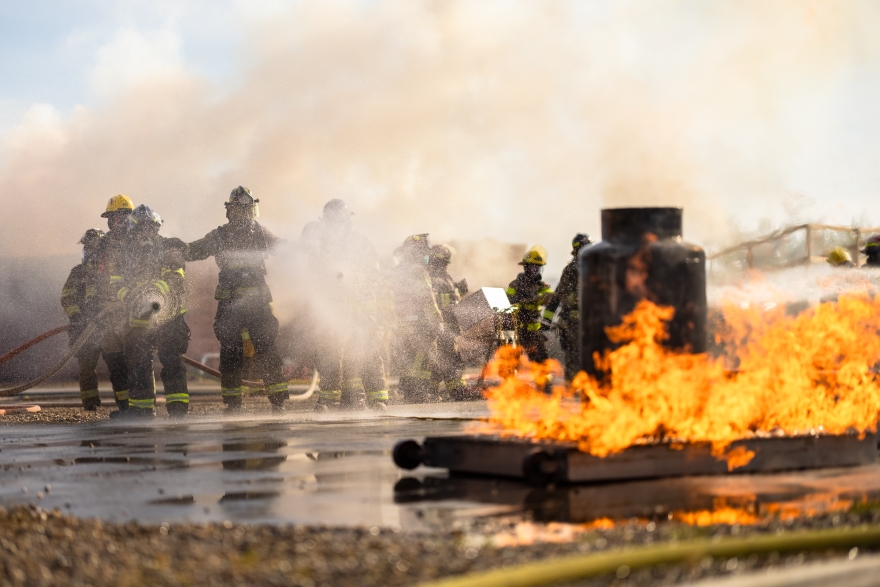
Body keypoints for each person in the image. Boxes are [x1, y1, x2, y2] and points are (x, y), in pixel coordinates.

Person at [186, 187, 290, 412]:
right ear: (230, 211)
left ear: (252, 210)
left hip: (258, 306)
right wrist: (175, 250)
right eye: (239, 209)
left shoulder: (261, 234)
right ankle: (233, 404)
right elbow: (195, 250)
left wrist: (302, 249)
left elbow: (284, 250)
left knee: (267, 350)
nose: (243, 214)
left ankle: (278, 402)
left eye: (247, 209)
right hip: (230, 306)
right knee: (231, 353)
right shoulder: (220, 236)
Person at [300, 199, 389, 411]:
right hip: (333, 314)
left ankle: (377, 400)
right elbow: (310, 275)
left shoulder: (361, 243)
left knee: (367, 355)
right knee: (330, 356)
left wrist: (353, 278)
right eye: (332, 221)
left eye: (339, 221)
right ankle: (328, 401)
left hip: (361, 312)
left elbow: (374, 274)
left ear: (346, 222)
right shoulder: (320, 247)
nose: (336, 226)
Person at [111, 205, 190, 418]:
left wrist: (156, 294)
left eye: (150, 228)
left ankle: (178, 410)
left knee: (171, 359)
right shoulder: (124, 254)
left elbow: (175, 280)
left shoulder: (169, 249)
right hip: (139, 316)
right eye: (141, 229)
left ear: (156, 229)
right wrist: (130, 297)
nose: (146, 233)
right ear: (134, 230)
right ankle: (141, 409)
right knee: (138, 361)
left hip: (169, 316)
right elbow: (116, 283)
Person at [60, 229, 128, 411]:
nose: (90, 252)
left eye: (94, 248)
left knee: (117, 365)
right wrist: (76, 316)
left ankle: (124, 404)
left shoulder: (110, 271)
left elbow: (119, 297)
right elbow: (67, 297)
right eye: (87, 248)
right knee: (86, 368)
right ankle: (90, 404)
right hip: (84, 328)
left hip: (108, 328)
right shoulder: (78, 273)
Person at [390, 234, 443, 403]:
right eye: (423, 253)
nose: (426, 257)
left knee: (407, 358)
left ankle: (409, 393)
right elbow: (426, 297)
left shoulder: (397, 271)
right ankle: (419, 393)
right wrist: (437, 319)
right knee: (423, 357)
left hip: (400, 324)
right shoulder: (418, 270)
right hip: (419, 324)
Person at [94, 194, 134, 414]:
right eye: (111, 218)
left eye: (117, 217)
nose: (113, 222)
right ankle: (125, 407)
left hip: (130, 312)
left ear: (128, 217)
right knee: (114, 362)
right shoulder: (102, 244)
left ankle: (140, 407)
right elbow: (93, 277)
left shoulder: (137, 242)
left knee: (136, 362)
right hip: (107, 314)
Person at [545, 234, 592, 380]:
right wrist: (546, 320)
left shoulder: (594, 268)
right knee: (574, 353)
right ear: (578, 251)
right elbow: (559, 295)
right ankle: (573, 385)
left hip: (590, 320)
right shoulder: (571, 270)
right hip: (573, 321)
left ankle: (589, 384)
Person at [427, 244, 468, 400]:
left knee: (443, 360)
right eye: (443, 263)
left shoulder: (444, 278)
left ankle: (433, 392)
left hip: (448, 327)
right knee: (449, 360)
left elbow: (452, 300)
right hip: (444, 327)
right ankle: (456, 391)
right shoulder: (435, 279)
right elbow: (444, 304)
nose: (445, 266)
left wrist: (460, 290)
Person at [506, 245, 554, 363]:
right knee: (510, 362)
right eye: (532, 267)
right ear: (526, 267)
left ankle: (544, 381)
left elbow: (549, 298)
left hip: (533, 331)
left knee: (541, 363)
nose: (535, 270)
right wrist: (516, 299)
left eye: (537, 267)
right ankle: (510, 381)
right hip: (515, 330)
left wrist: (535, 298)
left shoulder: (542, 286)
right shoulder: (514, 285)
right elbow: (507, 301)